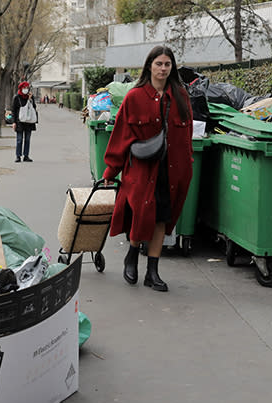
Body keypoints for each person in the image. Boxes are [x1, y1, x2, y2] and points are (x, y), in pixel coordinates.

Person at [102, 45, 193, 292]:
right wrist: (110, 171)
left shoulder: (181, 96)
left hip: (171, 169)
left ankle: (153, 271)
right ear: (149, 66)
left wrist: (187, 168)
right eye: (159, 64)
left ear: (172, 67)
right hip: (142, 169)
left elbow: (186, 136)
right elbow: (120, 135)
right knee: (142, 214)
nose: (163, 69)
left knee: (162, 218)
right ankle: (132, 254)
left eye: (167, 64)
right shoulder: (135, 96)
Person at [11, 81, 37, 162]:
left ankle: (26, 155)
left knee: (27, 139)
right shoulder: (17, 97)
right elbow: (14, 110)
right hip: (20, 122)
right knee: (19, 139)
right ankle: (18, 156)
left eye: (27, 88)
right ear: (21, 88)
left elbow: (34, 108)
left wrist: (30, 99)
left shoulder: (31, 97)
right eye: (24, 88)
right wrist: (14, 122)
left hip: (29, 122)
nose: (26, 89)